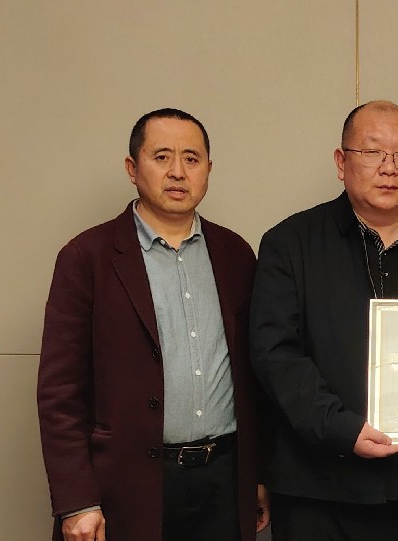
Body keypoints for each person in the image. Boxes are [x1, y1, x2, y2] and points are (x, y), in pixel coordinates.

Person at [37, 108, 269, 541]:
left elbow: (253, 378)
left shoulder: (235, 254)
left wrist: (256, 474)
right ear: (132, 168)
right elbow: (59, 393)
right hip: (127, 485)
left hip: (223, 480)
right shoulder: (87, 257)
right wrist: (77, 501)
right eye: (162, 157)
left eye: (191, 159)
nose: (178, 171)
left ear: (208, 169)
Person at [250, 100, 398, 540]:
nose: (389, 167)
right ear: (341, 162)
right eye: (372, 152)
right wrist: (341, 428)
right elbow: (275, 356)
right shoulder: (290, 243)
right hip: (317, 488)